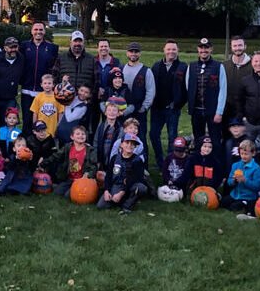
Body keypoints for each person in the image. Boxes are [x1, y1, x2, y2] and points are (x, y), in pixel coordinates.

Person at [185, 38, 227, 157]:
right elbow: (189, 87)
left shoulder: (219, 66)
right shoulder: (191, 66)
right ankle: (199, 165)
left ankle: (216, 166)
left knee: (215, 140)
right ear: (198, 49)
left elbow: (223, 90)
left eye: (206, 48)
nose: (204, 50)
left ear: (211, 49)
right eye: (201, 48)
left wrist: (219, 112)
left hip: (213, 111)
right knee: (199, 140)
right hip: (196, 110)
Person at [149, 40, 186, 170]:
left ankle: (171, 163)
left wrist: (178, 104)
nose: (171, 52)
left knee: (172, 137)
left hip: (173, 109)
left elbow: (186, 89)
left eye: (174, 49)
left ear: (177, 51)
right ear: (164, 50)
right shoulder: (156, 66)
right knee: (153, 134)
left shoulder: (183, 67)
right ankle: (160, 161)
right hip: (157, 109)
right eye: (169, 49)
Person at [19, 21, 59, 130]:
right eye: (36, 29)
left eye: (41, 30)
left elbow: (56, 68)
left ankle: (42, 145)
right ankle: (27, 144)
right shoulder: (24, 46)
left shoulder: (52, 48)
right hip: (27, 90)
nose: (38, 32)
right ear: (32, 31)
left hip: (44, 91)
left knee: (42, 121)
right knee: (27, 121)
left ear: (44, 31)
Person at [97, 133, 149, 213]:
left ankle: (127, 205)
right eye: (127, 142)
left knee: (141, 188)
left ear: (135, 146)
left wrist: (121, 193)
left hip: (129, 187)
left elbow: (135, 179)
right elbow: (109, 176)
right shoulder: (115, 158)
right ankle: (118, 201)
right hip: (117, 185)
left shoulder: (138, 161)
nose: (130, 145)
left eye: (133, 144)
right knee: (101, 206)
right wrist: (107, 190)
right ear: (121, 144)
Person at [41, 124, 97, 197]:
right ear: (72, 137)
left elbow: (93, 166)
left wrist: (88, 174)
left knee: (69, 195)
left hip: (82, 180)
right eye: (78, 134)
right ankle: (63, 186)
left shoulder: (90, 150)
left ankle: (72, 190)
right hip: (69, 178)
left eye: (83, 134)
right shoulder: (68, 147)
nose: (81, 136)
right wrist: (42, 164)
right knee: (57, 192)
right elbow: (55, 156)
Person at [0, 37, 24, 134]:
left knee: (9, 125)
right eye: (10, 47)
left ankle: (7, 147)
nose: (13, 50)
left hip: (10, 98)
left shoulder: (21, 59)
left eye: (15, 47)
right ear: (5, 48)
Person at [224, 140, 260, 217]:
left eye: (246, 154)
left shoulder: (256, 168)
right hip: (235, 195)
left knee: (233, 207)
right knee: (222, 203)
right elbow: (229, 181)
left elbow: (257, 186)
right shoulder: (235, 165)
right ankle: (243, 206)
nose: (243, 156)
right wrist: (234, 181)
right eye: (241, 154)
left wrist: (245, 180)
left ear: (253, 153)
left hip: (248, 196)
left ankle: (246, 205)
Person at [222, 34, 252, 124]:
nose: (237, 48)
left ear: (245, 46)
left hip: (246, 110)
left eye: (240, 45)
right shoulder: (224, 65)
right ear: (231, 47)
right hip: (226, 109)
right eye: (234, 46)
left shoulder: (253, 65)